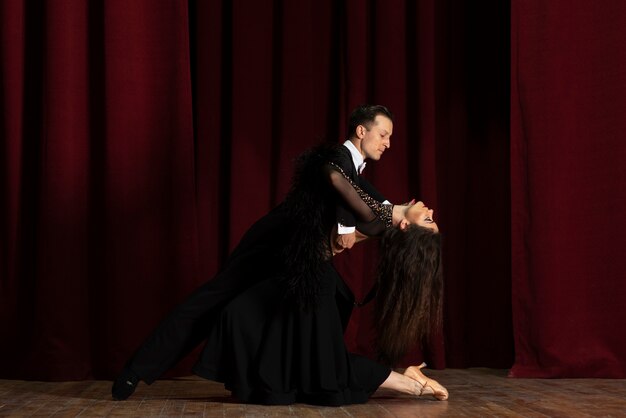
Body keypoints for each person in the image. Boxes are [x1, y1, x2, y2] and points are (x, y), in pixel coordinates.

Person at [112, 105, 448, 405]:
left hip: (292, 258)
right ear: (362, 131)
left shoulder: (371, 200)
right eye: (383, 134)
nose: (387, 143)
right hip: (272, 245)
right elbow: (335, 179)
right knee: (210, 301)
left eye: (429, 219)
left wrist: (358, 226)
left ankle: (264, 380)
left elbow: (359, 201)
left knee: (248, 312)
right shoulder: (343, 162)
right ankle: (137, 369)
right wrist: (353, 223)